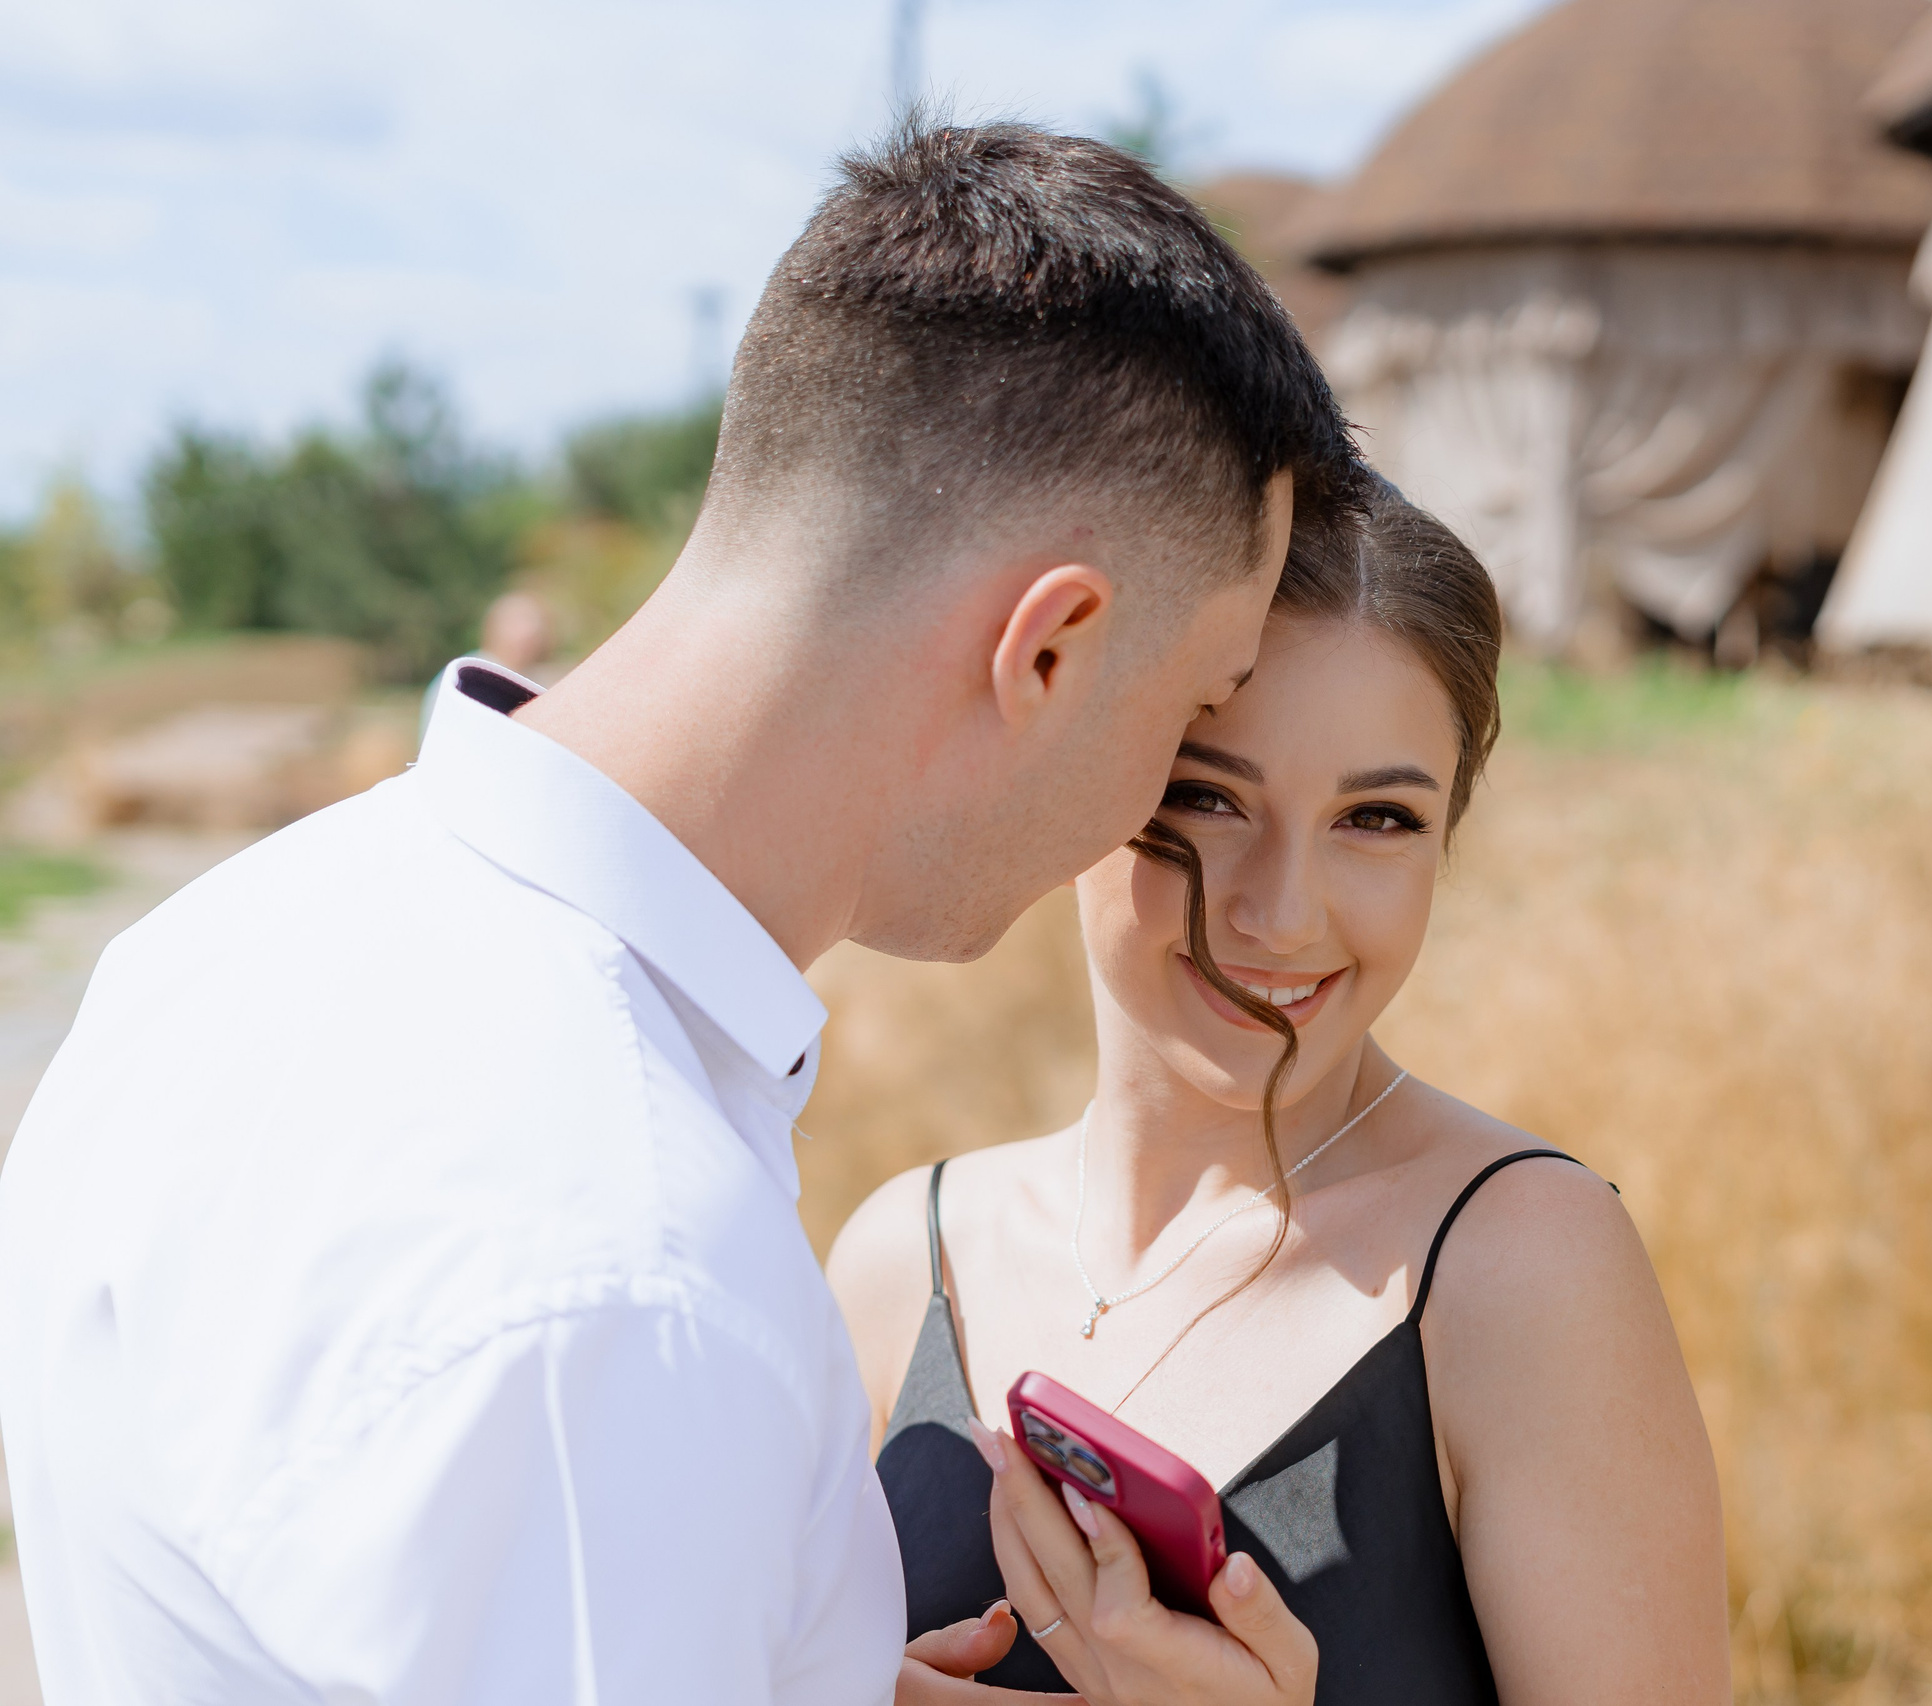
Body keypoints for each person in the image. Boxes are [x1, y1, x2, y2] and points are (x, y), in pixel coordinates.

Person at [0, 122, 1353, 1705]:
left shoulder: (223, 943)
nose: (1152, 817)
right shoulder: (624, 1279)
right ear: (1048, 649)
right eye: (1193, 709)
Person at [830, 477, 1733, 1705]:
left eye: (1377, 817)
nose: (1279, 912)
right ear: (1074, 784)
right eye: (1205, 796)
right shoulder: (900, 1257)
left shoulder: (1525, 1267)